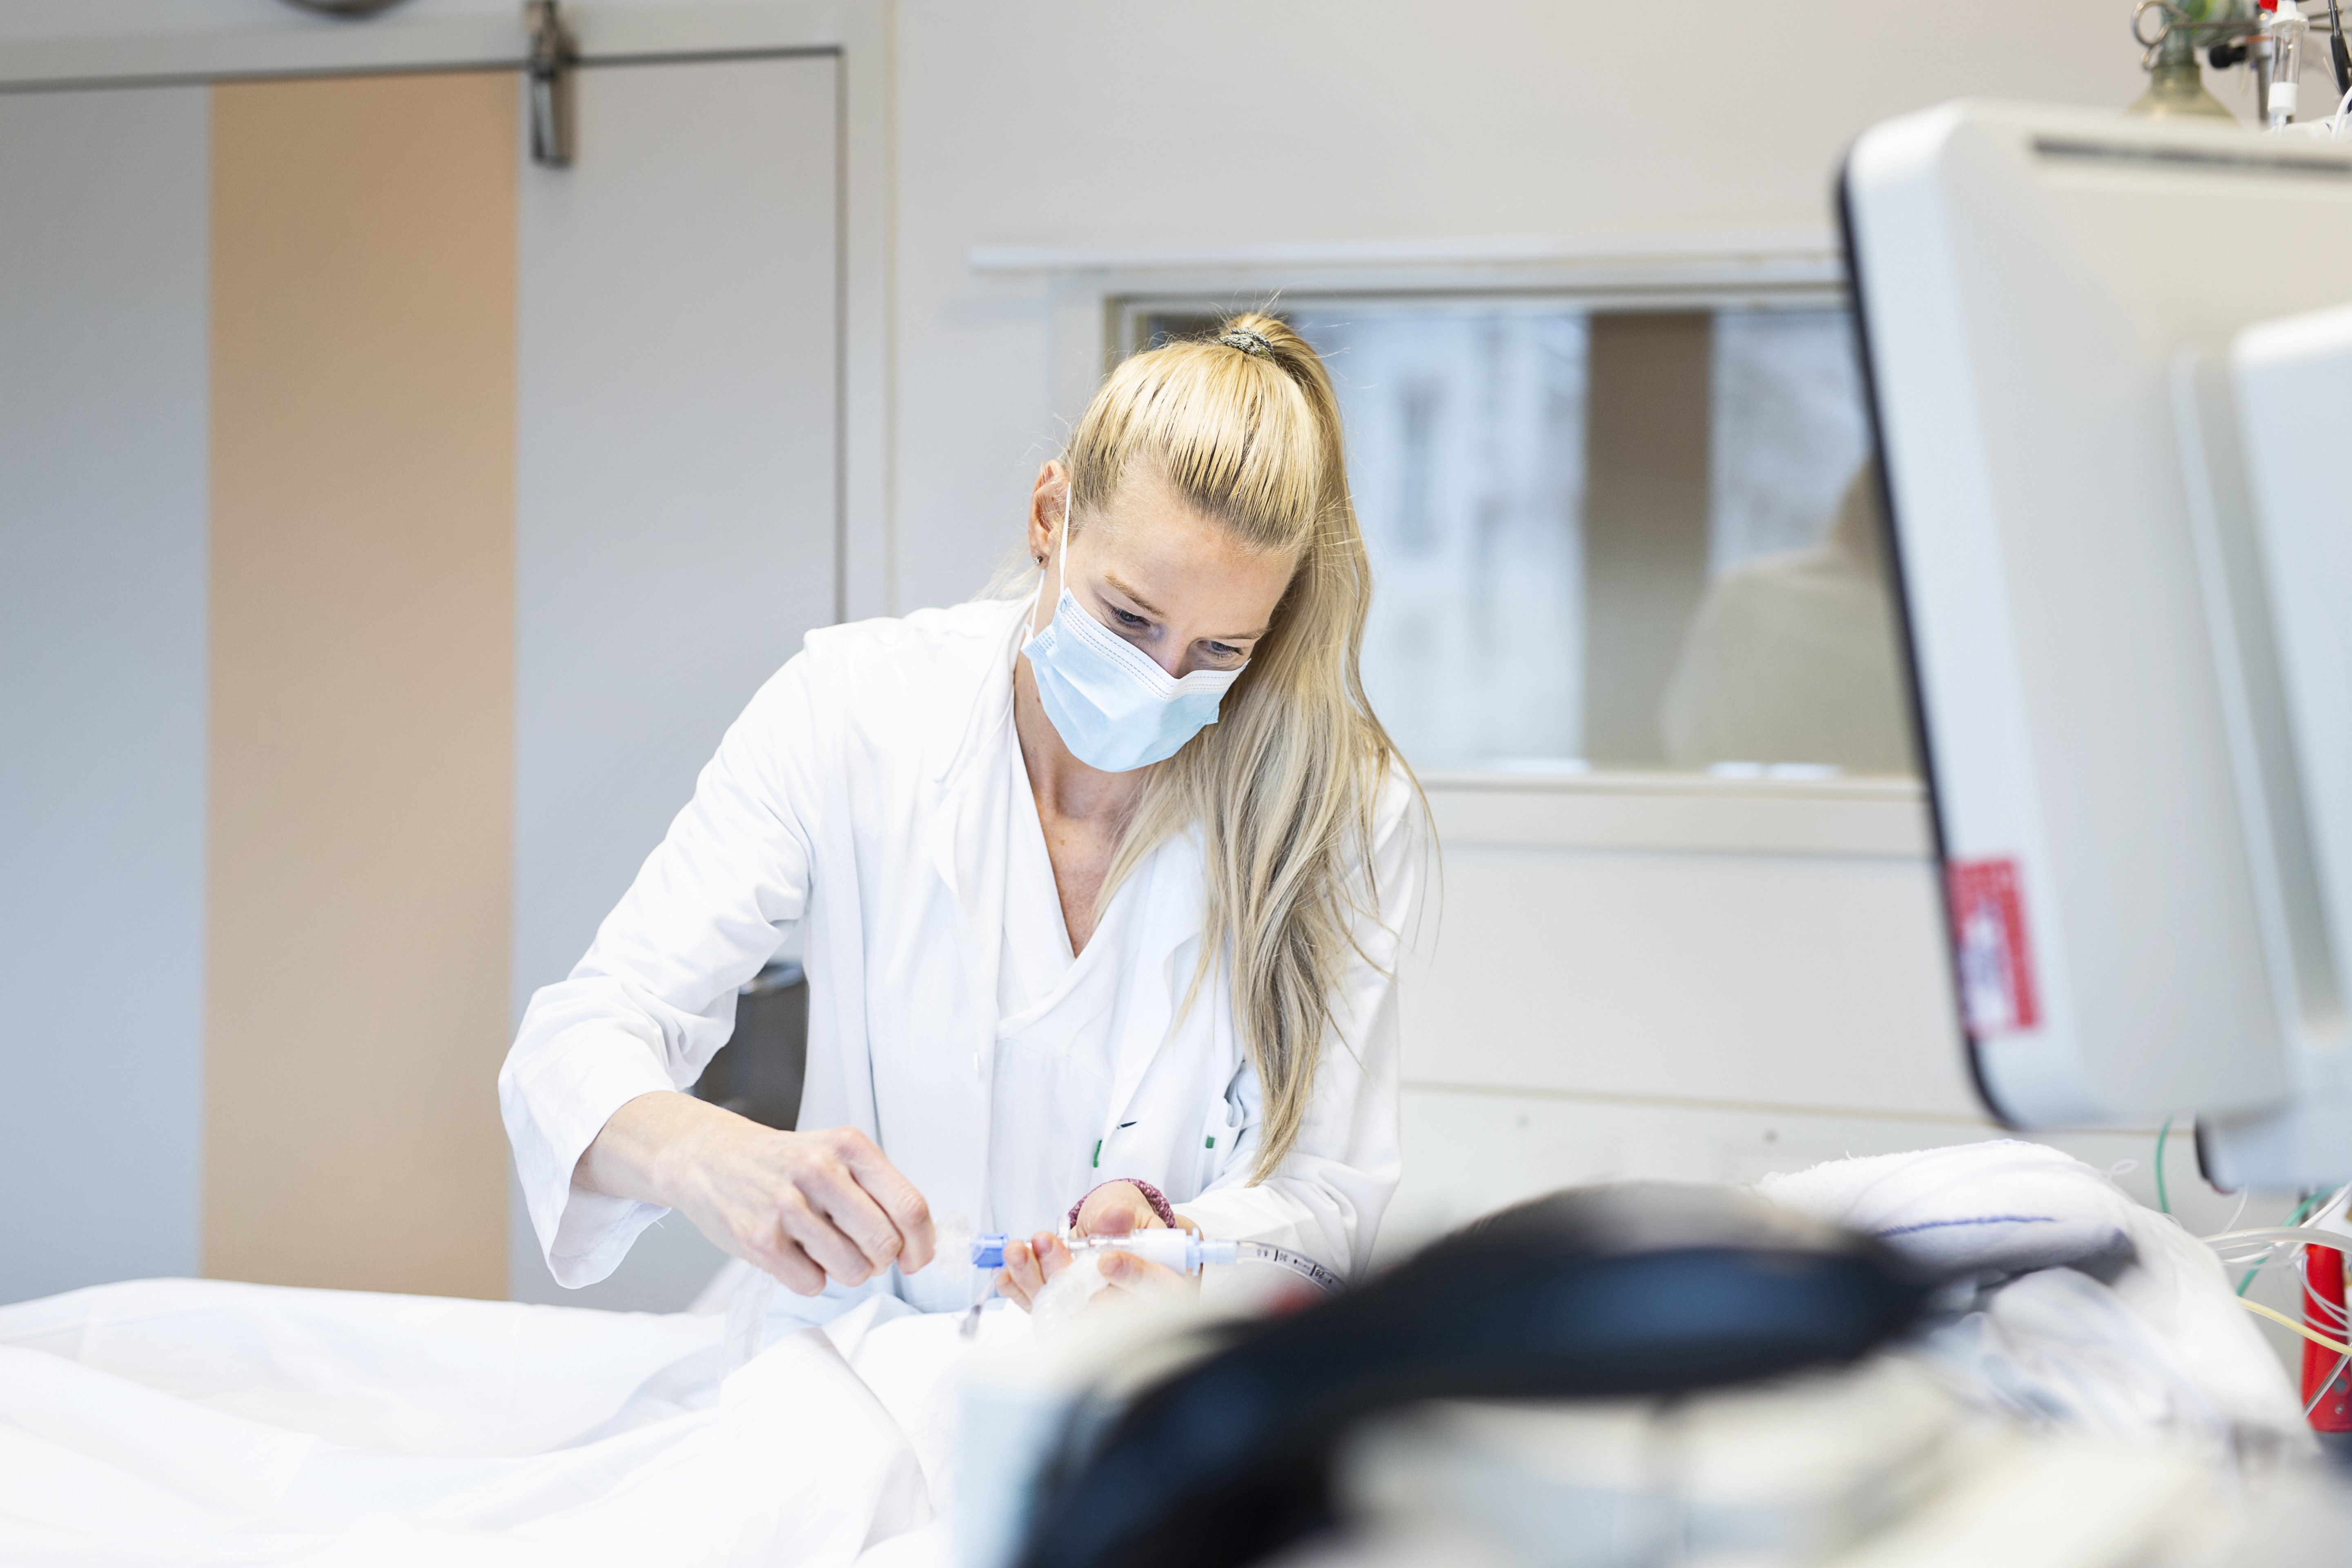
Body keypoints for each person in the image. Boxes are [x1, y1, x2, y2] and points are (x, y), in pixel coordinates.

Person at [499, 314, 1428, 1320]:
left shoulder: (1342, 811)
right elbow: (578, 1041)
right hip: (847, 1360)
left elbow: (1334, 1196)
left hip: (1139, 1391)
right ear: (1050, 516)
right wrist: (712, 1160)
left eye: (1219, 653)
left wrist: (1185, 1248)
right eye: (1127, 620)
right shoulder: (852, 708)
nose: (1159, 684)